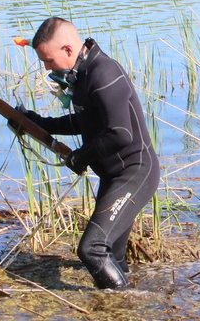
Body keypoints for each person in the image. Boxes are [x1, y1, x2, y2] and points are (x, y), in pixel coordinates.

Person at [15, 16, 158, 290]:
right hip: (113, 176)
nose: (46, 67)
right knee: (111, 255)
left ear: (68, 49)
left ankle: (122, 308)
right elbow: (84, 123)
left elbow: (120, 134)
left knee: (91, 249)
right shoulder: (83, 76)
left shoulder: (104, 74)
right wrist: (35, 122)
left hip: (135, 172)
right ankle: (122, 310)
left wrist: (81, 157)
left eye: (48, 60)